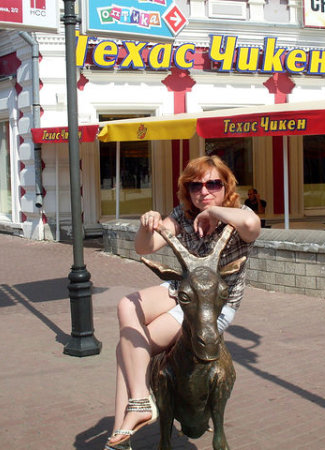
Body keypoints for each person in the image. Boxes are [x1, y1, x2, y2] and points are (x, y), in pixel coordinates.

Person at [105, 155, 261, 449]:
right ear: (187, 190)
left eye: (213, 184)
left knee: (127, 348)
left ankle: (127, 424)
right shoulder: (182, 215)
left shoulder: (238, 215)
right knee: (126, 305)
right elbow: (145, 247)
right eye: (195, 185)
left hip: (213, 307)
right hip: (183, 291)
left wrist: (213, 211)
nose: (204, 191)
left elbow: (253, 224)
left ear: (226, 186)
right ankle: (140, 400)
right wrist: (147, 225)